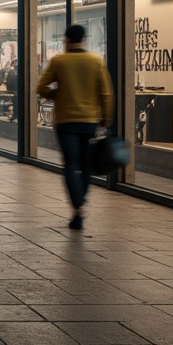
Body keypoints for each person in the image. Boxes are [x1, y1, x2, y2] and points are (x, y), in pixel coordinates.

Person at [36, 23, 115, 231]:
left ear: (67, 40)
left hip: (65, 122)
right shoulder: (96, 61)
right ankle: (81, 202)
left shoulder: (59, 61)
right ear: (84, 39)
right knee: (86, 165)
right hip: (89, 121)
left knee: (71, 164)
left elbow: (41, 87)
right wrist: (106, 117)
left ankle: (77, 208)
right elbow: (106, 92)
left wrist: (58, 94)